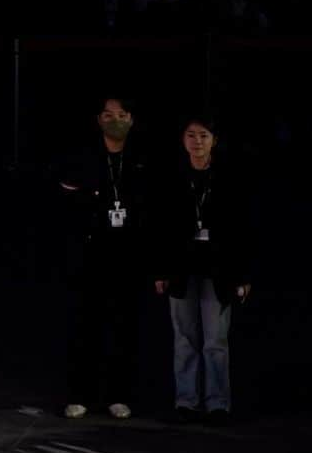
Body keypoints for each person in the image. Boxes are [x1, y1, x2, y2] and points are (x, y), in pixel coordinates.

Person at [152, 115, 251, 424]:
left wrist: (243, 275)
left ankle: (218, 402)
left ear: (214, 141)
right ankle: (186, 399)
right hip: (181, 268)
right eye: (191, 135)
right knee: (184, 337)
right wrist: (160, 270)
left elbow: (243, 229)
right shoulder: (172, 177)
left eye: (203, 136)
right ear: (183, 140)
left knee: (215, 340)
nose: (197, 141)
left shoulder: (229, 178)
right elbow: (159, 227)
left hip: (218, 269)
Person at [58, 96, 147, 420]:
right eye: (109, 115)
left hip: (127, 256)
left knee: (123, 328)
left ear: (131, 119)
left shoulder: (141, 158)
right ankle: (80, 394)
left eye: (122, 114)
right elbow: (66, 202)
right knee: (85, 327)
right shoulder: (82, 157)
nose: (115, 120)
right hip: (89, 254)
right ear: (99, 119)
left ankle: (119, 395)